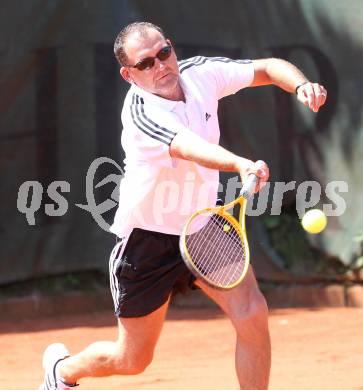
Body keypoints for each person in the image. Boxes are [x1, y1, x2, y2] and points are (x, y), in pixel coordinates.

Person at [39, 21, 327, 390]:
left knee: (252, 313)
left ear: (172, 48)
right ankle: (62, 372)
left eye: (164, 52)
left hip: (203, 224)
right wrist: (239, 164)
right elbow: (190, 147)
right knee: (132, 360)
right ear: (129, 75)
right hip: (147, 241)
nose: (160, 65)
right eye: (145, 64)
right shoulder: (142, 112)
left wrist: (300, 84)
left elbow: (268, 67)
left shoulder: (200, 73)